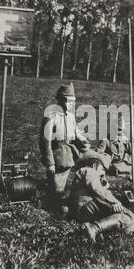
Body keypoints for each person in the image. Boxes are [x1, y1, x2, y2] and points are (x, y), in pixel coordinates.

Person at [68, 151, 134, 242]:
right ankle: (95, 228)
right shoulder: (89, 170)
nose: (103, 173)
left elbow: (97, 190)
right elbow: (98, 190)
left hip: (84, 209)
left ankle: (100, 229)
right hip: (86, 207)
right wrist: (114, 202)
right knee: (127, 217)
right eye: (102, 169)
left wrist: (104, 184)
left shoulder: (86, 172)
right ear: (95, 165)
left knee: (132, 219)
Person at [39, 83, 90, 213]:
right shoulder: (52, 116)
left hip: (70, 152)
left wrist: (83, 140)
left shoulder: (70, 116)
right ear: (61, 100)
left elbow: (75, 132)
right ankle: (49, 204)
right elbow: (45, 142)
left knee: (68, 182)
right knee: (56, 189)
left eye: (74, 101)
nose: (72, 104)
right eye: (69, 101)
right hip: (58, 155)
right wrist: (50, 163)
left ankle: (61, 197)